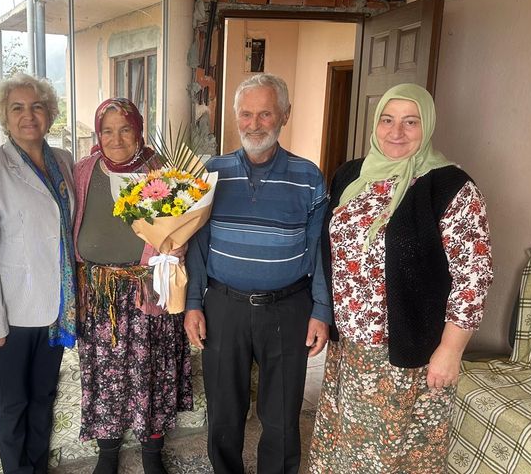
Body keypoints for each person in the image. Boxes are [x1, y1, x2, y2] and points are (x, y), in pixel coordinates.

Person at [308, 83, 494, 473]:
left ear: (426, 127)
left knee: (392, 455)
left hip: (406, 352)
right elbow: (332, 252)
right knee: (345, 445)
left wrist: (451, 350)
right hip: (351, 348)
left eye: (410, 122)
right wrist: (323, 312)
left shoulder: (449, 187)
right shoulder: (350, 175)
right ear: (375, 124)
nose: (397, 132)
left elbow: (473, 277)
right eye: (388, 121)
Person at [184, 73, 331, 474]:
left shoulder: (308, 176)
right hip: (223, 306)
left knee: (282, 415)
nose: (254, 124)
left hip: (288, 307)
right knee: (224, 411)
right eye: (246, 114)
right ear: (234, 117)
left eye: (265, 113)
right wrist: (194, 303)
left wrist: (321, 309)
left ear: (285, 114)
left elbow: (321, 249)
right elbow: (196, 244)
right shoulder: (210, 174)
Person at [73, 98, 192, 474]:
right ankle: (107, 454)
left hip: (148, 292)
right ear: (98, 134)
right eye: (107, 130)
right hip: (100, 296)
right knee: (102, 373)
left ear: (139, 130)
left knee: (151, 373)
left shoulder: (163, 172)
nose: (116, 138)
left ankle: (151, 455)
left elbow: (182, 232)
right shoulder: (83, 171)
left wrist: (163, 259)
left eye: (125, 129)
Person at [0, 73, 76, 474]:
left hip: (58, 305)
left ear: (49, 113)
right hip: (12, 313)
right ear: (4, 117)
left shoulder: (63, 160)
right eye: (18, 108)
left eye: (37, 106)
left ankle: (37, 467)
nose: (28, 115)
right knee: (13, 400)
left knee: (44, 395)